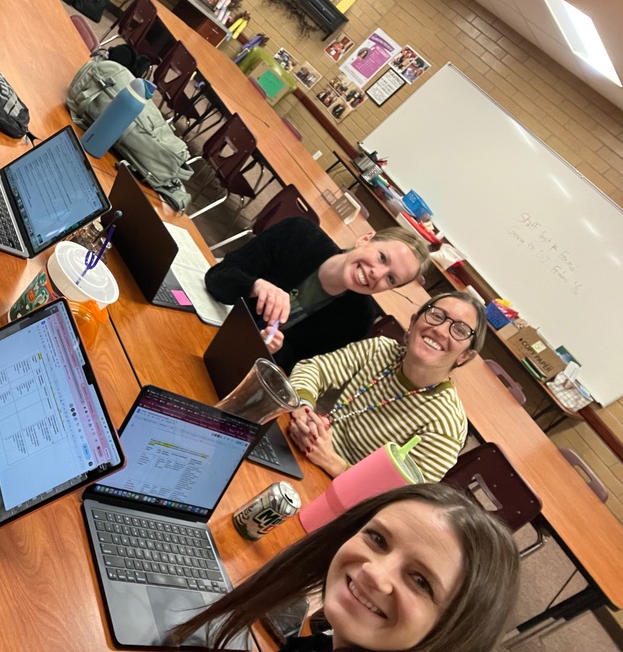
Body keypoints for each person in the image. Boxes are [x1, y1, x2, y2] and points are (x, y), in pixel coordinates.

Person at [168, 484, 520, 652]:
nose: (375, 574)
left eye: (420, 581)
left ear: (460, 628)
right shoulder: (328, 643)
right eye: (378, 539)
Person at [287, 292, 486, 483]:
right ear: (413, 322)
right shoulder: (381, 350)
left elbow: (397, 500)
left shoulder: (445, 424)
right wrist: (304, 409)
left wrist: (332, 462)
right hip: (304, 446)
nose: (441, 330)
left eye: (460, 330)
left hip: (342, 497)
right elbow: (315, 369)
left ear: (465, 356)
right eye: (436, 315)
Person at [204, 218, 430, 372]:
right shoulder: (298, 234)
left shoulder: (358, 320)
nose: (376, 274)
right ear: (365, 239)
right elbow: (217, 278)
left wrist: (275, 350)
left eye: (391, 279)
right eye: (382, 258)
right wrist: (256, 286)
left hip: (236, 363)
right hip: (205, 321)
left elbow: (298, 368)